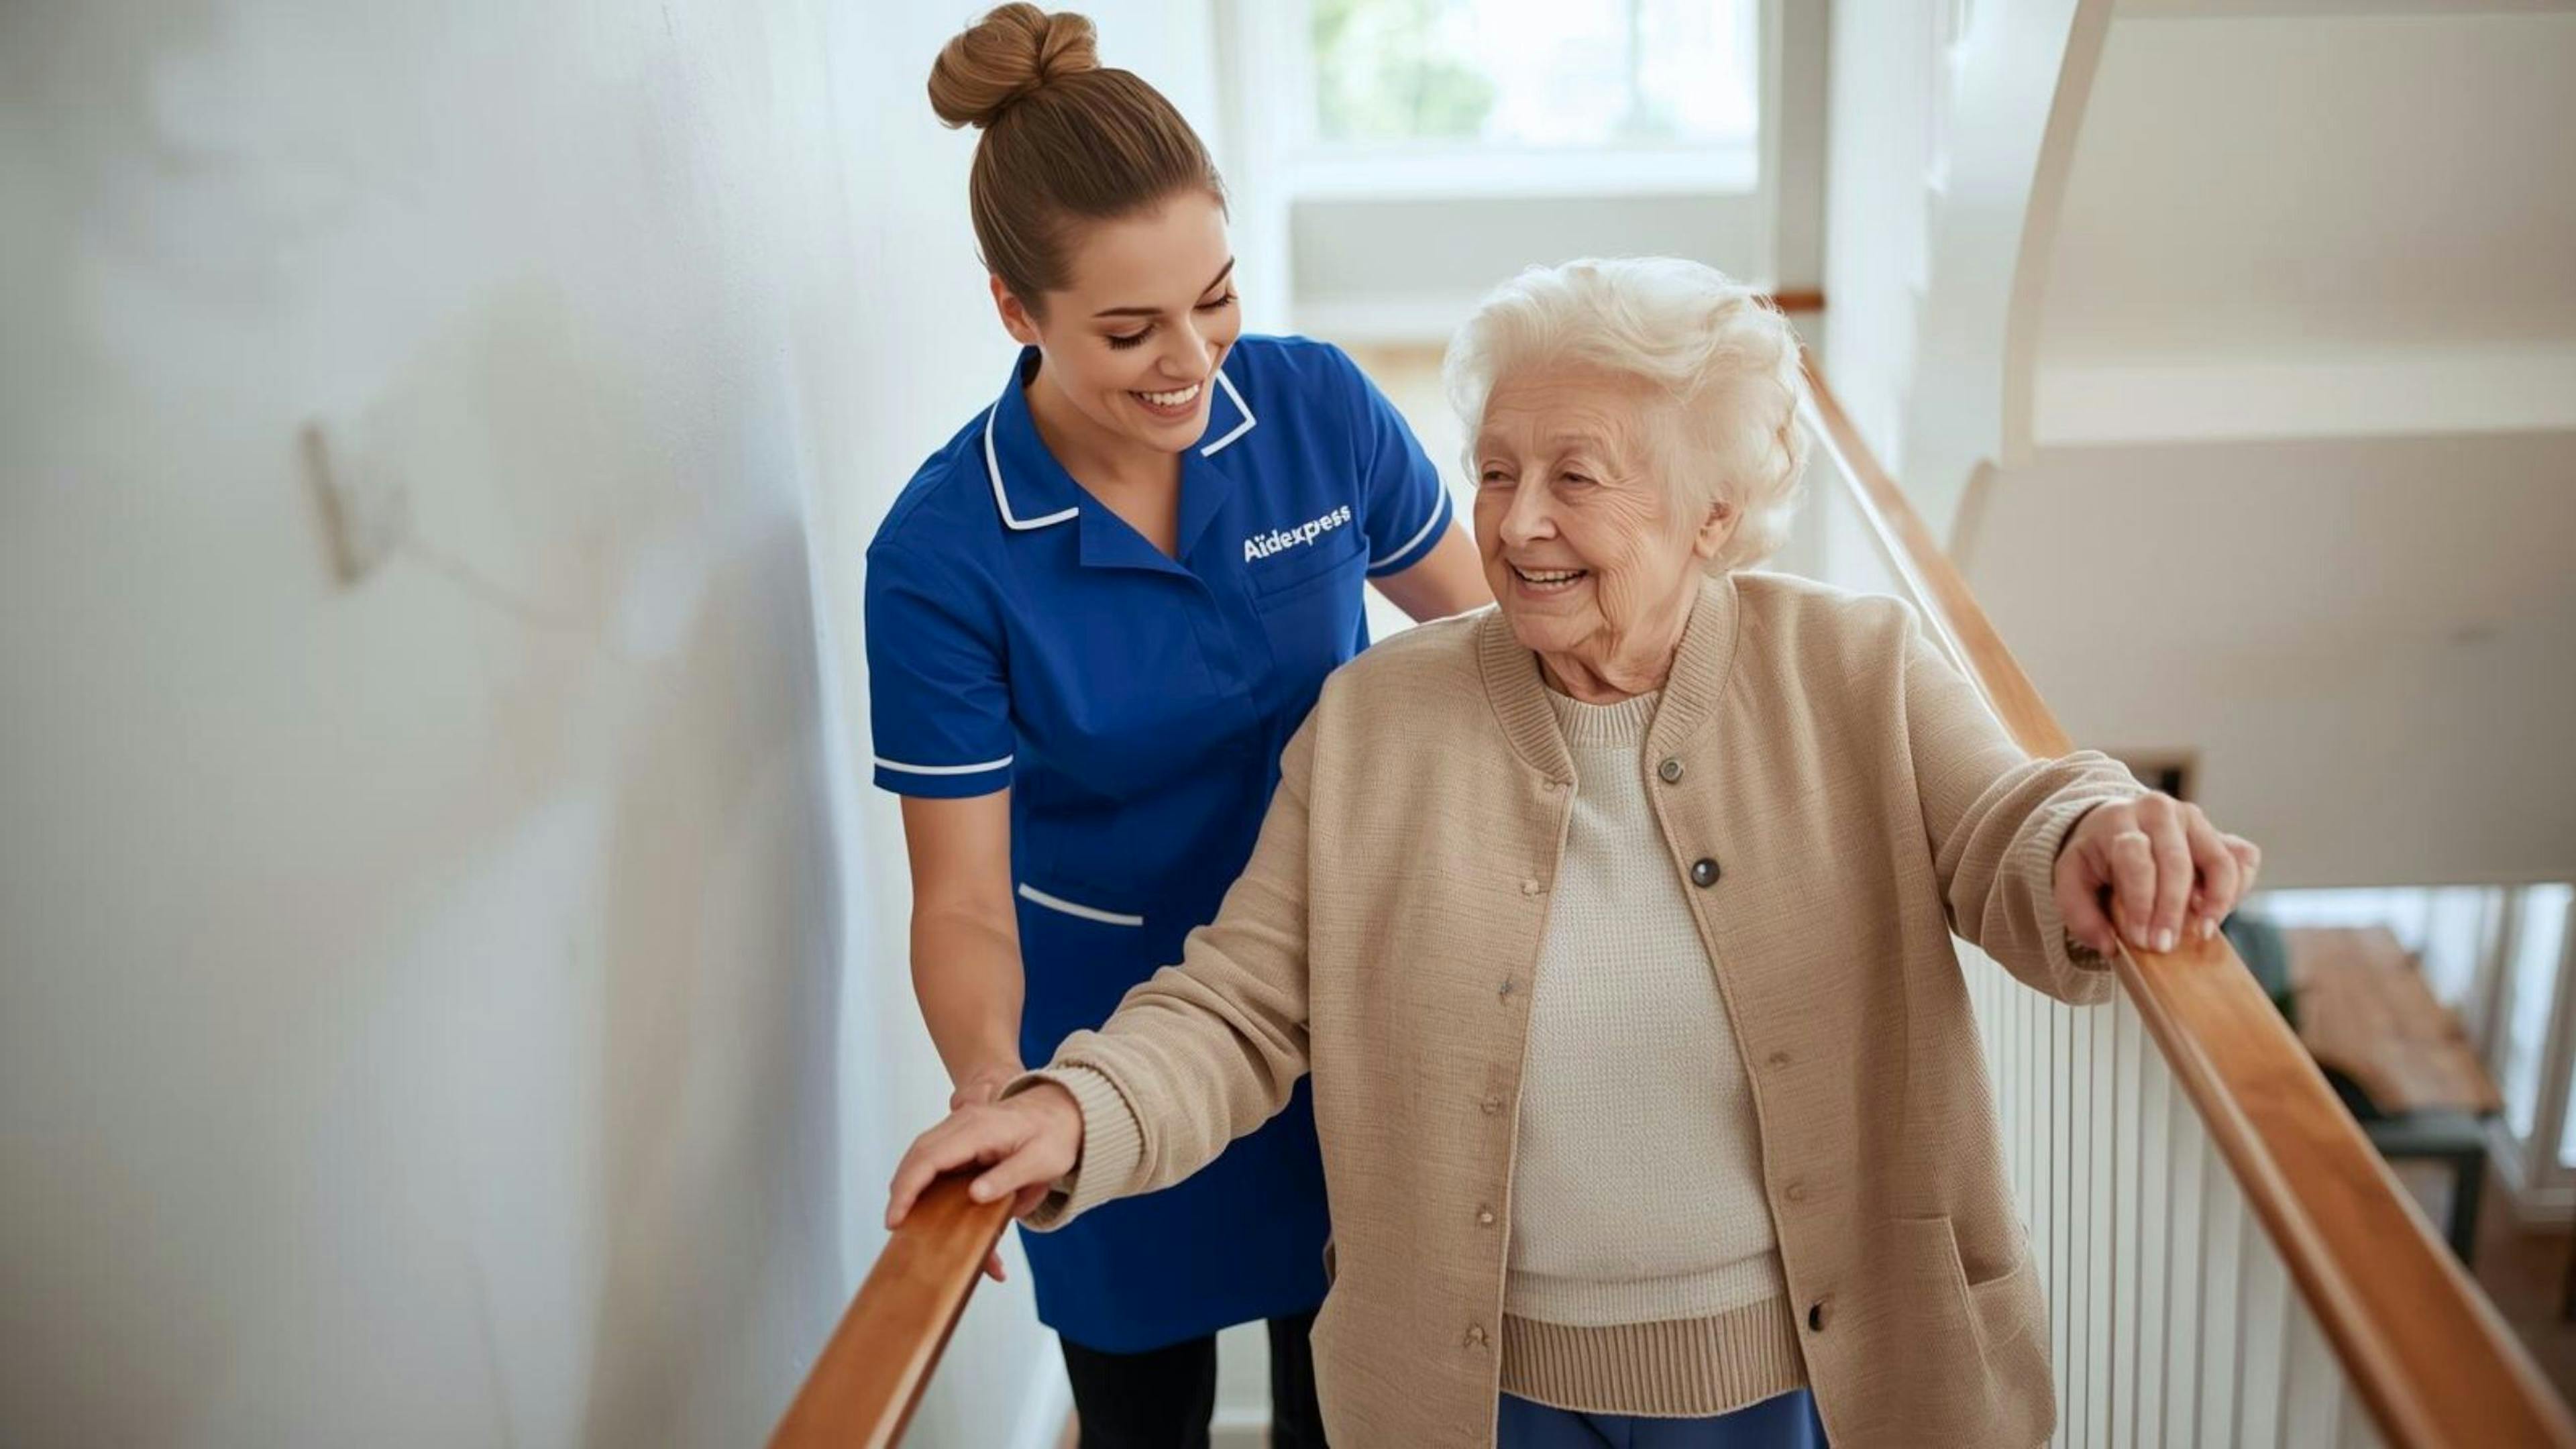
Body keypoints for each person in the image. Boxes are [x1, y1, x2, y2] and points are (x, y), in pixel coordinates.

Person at [885, 258, 2262, 1448]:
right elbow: (1242, 1001)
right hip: (1483, 1397)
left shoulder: (1852, 668)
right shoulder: (1377, 720)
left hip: (1803, 1382)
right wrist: (1068, 1109)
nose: (1514, 521)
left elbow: (2009, 824)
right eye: (1493, 470)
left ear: (1712, 516)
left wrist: (2099, 828)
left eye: (1575, 480)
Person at [865, 7, 1492, 1445]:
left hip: (1348, 996)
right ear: (1015, 310)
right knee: (1140, 1418)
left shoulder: (1317, 406)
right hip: (1114, 1046)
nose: (1194, 359)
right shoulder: (944, 555)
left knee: (1355, 1399)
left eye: (1215, 298)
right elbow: (960, 899)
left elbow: (1487, 655)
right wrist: (992, 1081)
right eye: (1131, 329)